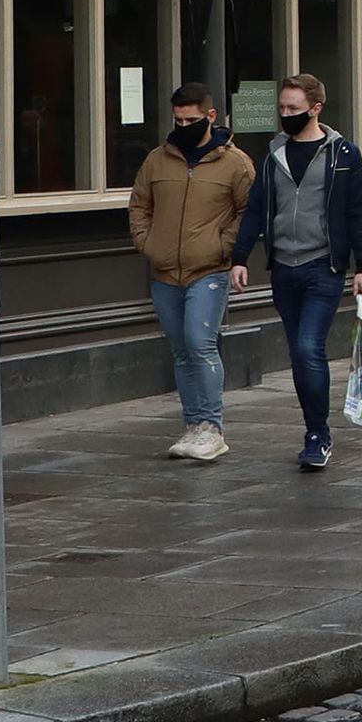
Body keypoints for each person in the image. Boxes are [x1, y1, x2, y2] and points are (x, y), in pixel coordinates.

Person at [229, 70, 362, 473]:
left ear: (315, 108)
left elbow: (357, 211)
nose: (286, 114)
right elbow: (257, 208)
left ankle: (318, 434)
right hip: (284, 269)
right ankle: (313, 428)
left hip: (323, 267)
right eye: (281, 108)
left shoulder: (343, 156)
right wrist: (240, 257)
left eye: (293, 108)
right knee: (299, 353)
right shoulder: (274, 154)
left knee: (309, 347)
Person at [127, 84, 252, 462]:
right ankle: (193, 424)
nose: (183, 125)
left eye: (192, 120)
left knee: (201, 344)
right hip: (164, 270)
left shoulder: (235, 163)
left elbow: (249, 212)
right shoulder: (156, 161)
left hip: (209, 269)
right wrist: (148, 244)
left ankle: (212, 427)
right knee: (181, 351)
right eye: (178, 120)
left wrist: (222, 246)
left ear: (210, 117)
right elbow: (139, 205)